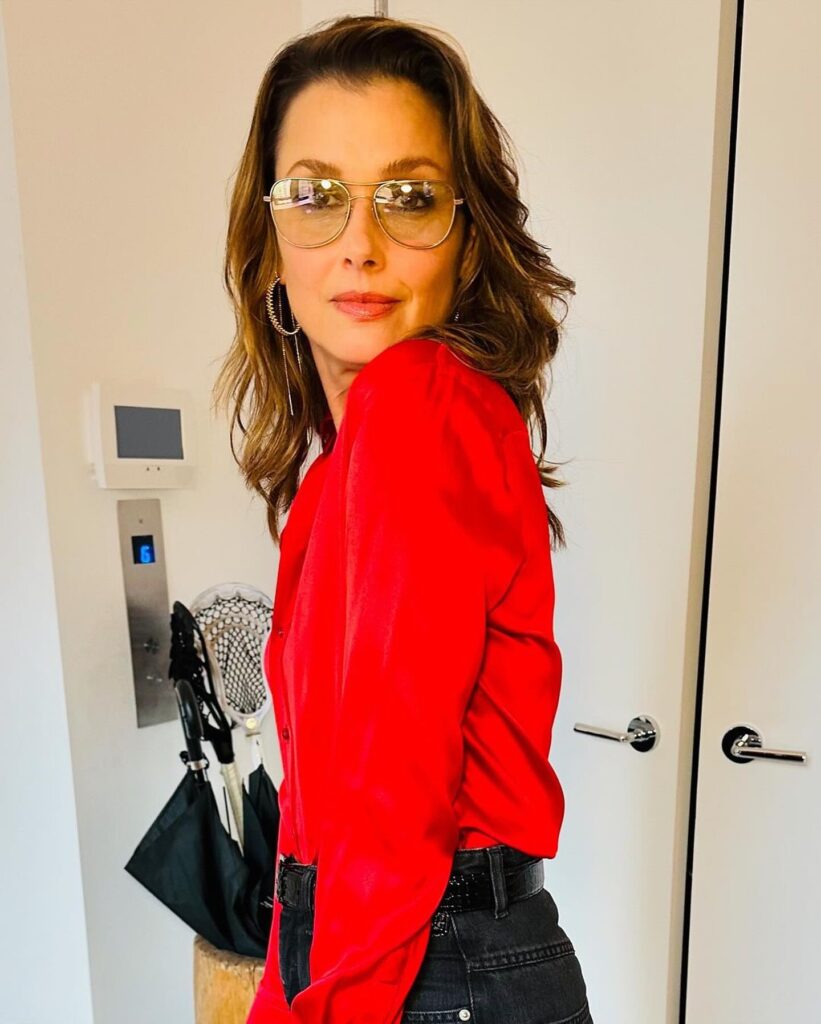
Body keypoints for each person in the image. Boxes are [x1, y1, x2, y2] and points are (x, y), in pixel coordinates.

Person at [213, 13, 593, 1024]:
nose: (361, 246)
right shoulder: (341, 469)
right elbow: (325, 811)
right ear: (270, 245)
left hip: (431, 964)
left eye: (410, 197)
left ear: (465, 239)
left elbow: (389, 800)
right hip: (408, 958)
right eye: (316, 196)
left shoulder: (417, 403)